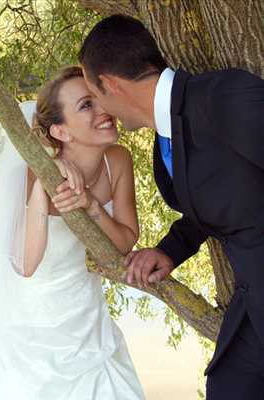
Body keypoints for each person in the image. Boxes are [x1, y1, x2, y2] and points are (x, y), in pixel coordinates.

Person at [61, 14, 264, 400]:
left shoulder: (224, 97)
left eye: (94, 95)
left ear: (111, 85)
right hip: (253, 308)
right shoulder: (164, 142)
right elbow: (226, 197)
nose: (103, 111)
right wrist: (169, 251)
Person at [0, 66, 145, 400]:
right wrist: (42, 188)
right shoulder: (39, 170)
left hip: (86, 315)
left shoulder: (117, 160)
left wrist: (91, 206)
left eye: (99, 99)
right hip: (31, 324)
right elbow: (27, 265)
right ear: (60, 131)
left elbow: (124, 241)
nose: (104, 110)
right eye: (87, 105)